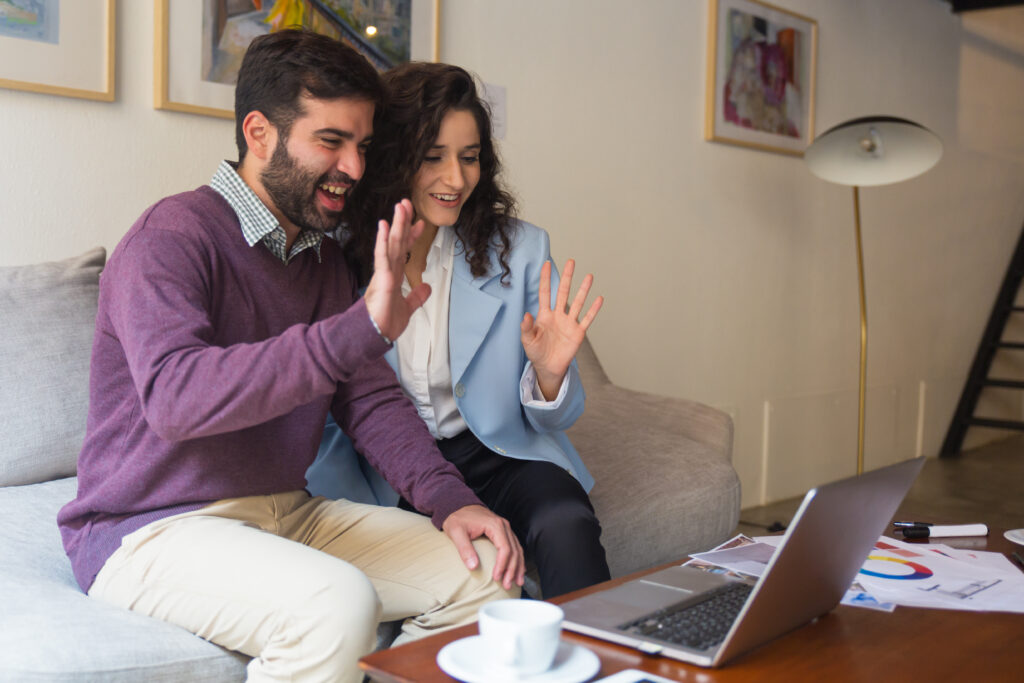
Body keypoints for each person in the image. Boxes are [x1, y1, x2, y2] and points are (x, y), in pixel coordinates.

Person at [57, 30, 524, 683]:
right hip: (150, 528)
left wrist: (451, 500)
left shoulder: (321, 260)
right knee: (336, 605)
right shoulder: (171, 237)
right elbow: (176, 397)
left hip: (284, 509)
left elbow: (369, 399)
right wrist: (359, 326)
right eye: (330, 142)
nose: (355, 168)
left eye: (362, 146)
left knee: (487, 572)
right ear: (259, 133)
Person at [307, 62, 611, 598]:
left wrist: (548, 377)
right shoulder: (336, 257)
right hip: (389, 465)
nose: (456, 179)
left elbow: (563, 415)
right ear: (392, 158)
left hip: (497, 450)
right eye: (432, 158)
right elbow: (328, 414)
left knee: (567, 523)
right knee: (476, 569)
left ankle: (604, 665)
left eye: (469, 158)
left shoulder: (522, 251)